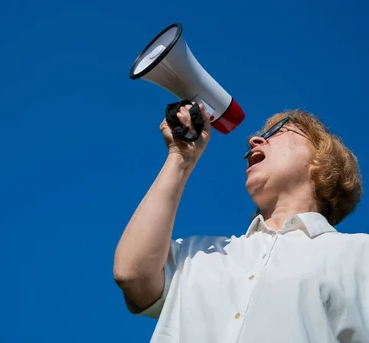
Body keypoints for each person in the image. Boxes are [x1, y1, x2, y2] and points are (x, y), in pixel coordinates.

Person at [113, 103, 367, 343]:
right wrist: (180, 157)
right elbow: (132, 273)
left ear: (320, 162)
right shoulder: (197, 255)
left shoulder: (358, 254)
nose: (254, 140)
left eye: (278, 130)